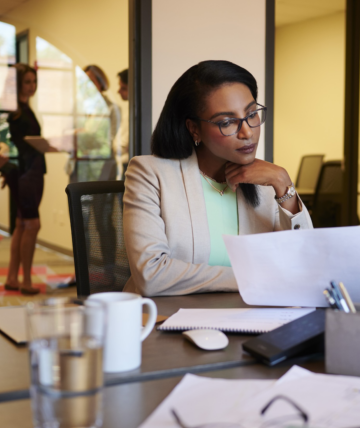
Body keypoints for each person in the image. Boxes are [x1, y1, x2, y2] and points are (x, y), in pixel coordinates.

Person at [124, 60, 312, 296]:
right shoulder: (150, 173)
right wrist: (254, 275)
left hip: (250, 314)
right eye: (226, 122)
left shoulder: (265, 181)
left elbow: (303, 261)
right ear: (194, 129)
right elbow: (152, 275)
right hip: (166, 319)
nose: (247, 132)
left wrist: (284, 184)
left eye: (252, 114)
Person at [0, 63, 44, 296]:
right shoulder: (15, 110)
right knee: (31, 225)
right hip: (26, 171)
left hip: (29, 169)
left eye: (34, 81)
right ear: (17, 84)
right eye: (27, 82)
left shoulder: (24, 108)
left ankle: (13, 278)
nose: (32, 86)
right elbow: (4, 141)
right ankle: (26, 281)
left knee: (22, 225)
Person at [84, 64, 122, 182]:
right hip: (80, 166)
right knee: (75, 199)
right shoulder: (78, 106)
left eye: (90, 81)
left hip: (100, 166)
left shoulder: (112, 108)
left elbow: (109, 140)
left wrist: (82, 137)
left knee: (98, 200)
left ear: (101, 83)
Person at [116, 68, 130, 175]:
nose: (118, 91)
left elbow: (123, 144)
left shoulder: (132, 112)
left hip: (127, 164)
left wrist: (109, 149)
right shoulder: (128, 109)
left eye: (123, 88)